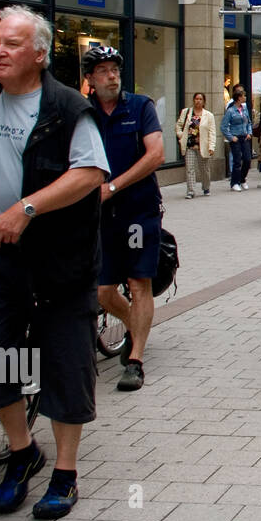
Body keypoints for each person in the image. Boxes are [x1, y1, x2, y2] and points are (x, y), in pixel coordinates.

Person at [0, 5, 109, 519]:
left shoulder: (64, 107)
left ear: (39, 54)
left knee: (64, 366)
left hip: (61, 263)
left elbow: (91, 174)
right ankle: (21, 453)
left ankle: (65, 473)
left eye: (11, 44)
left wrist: (25, 207)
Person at [84, 46, 165, 393]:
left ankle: (135, 360)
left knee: (137, 283)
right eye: (102, 70)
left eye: (115, 69)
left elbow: (156, 154)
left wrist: (114, 186)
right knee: (103, 289)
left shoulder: (140, 107)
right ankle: (136, 324)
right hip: (99, 214)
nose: (112, 75)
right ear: (89, 79)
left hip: (138, 210)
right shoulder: (82, 113)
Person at [175, 93, 216, 198]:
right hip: (189, 145)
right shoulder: (186, 112)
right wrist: (181, 136)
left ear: (204, 101)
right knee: (190, 168)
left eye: (200, 99)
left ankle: (206, 187)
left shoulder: (209, 115)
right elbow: (178, 125)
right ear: (193, 100)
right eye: (196, 99)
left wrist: (211, 147)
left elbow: (212, 132)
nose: (198, 101)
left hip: (202, 146)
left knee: (204, 169)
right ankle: (191, 191)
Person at [222, 85, 253, 192]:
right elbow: (223, 126)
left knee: (247, 159)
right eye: (244, 96)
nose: (245, 97)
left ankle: (242, 178)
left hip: (245, 137)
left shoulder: (244, 109)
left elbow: (248, 122)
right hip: (236, 138)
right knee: (237, 161)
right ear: (239, 98)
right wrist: (231, 137)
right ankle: (234, 182)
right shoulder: (230, 111)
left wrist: (249, 132)